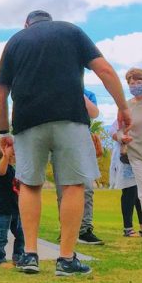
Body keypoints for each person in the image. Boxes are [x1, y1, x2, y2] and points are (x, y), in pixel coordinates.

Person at [0, 10, 131, 276]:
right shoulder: (71, 31)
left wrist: (3, 133)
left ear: (27, 24)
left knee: (29, 185)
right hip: (70, 118)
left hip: (27, 121)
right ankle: (66, 259)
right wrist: (123, 107)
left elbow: (0, 93)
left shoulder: (15, 41)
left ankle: (30, 255)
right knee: (72, 185)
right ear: (50, 20)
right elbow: (104, 69)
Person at [53, 90, 104, 245]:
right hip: (59, 140)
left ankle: (84, 230)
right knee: (64, 189)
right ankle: (66, 229)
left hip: (82, 140)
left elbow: (92, 113)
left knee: (87, 188)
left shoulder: (88, 94)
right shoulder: (51, 87)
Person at [108, 115, 142, 237]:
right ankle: (128, 228)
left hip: (140, 158)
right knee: (130, 193)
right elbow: (112, 131)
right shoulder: (127, 116)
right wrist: (123, 138)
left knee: (140, 195)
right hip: (127, 161)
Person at [0, 143, 25, 266]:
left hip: (15, 210)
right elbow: (1, 171)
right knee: (1, 237)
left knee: (21, 235)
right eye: (14, 152)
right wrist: (6, 156)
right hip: (1, 210)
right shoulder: (1, 169)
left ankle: (18, 257)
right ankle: (0, 259)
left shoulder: (14, 170)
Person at [121, 67, 142, 223]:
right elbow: (119, 129)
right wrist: (121, 136)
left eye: (138, 82)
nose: (134, 85)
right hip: (136, 154)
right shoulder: (126, 106)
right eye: (131, 83)